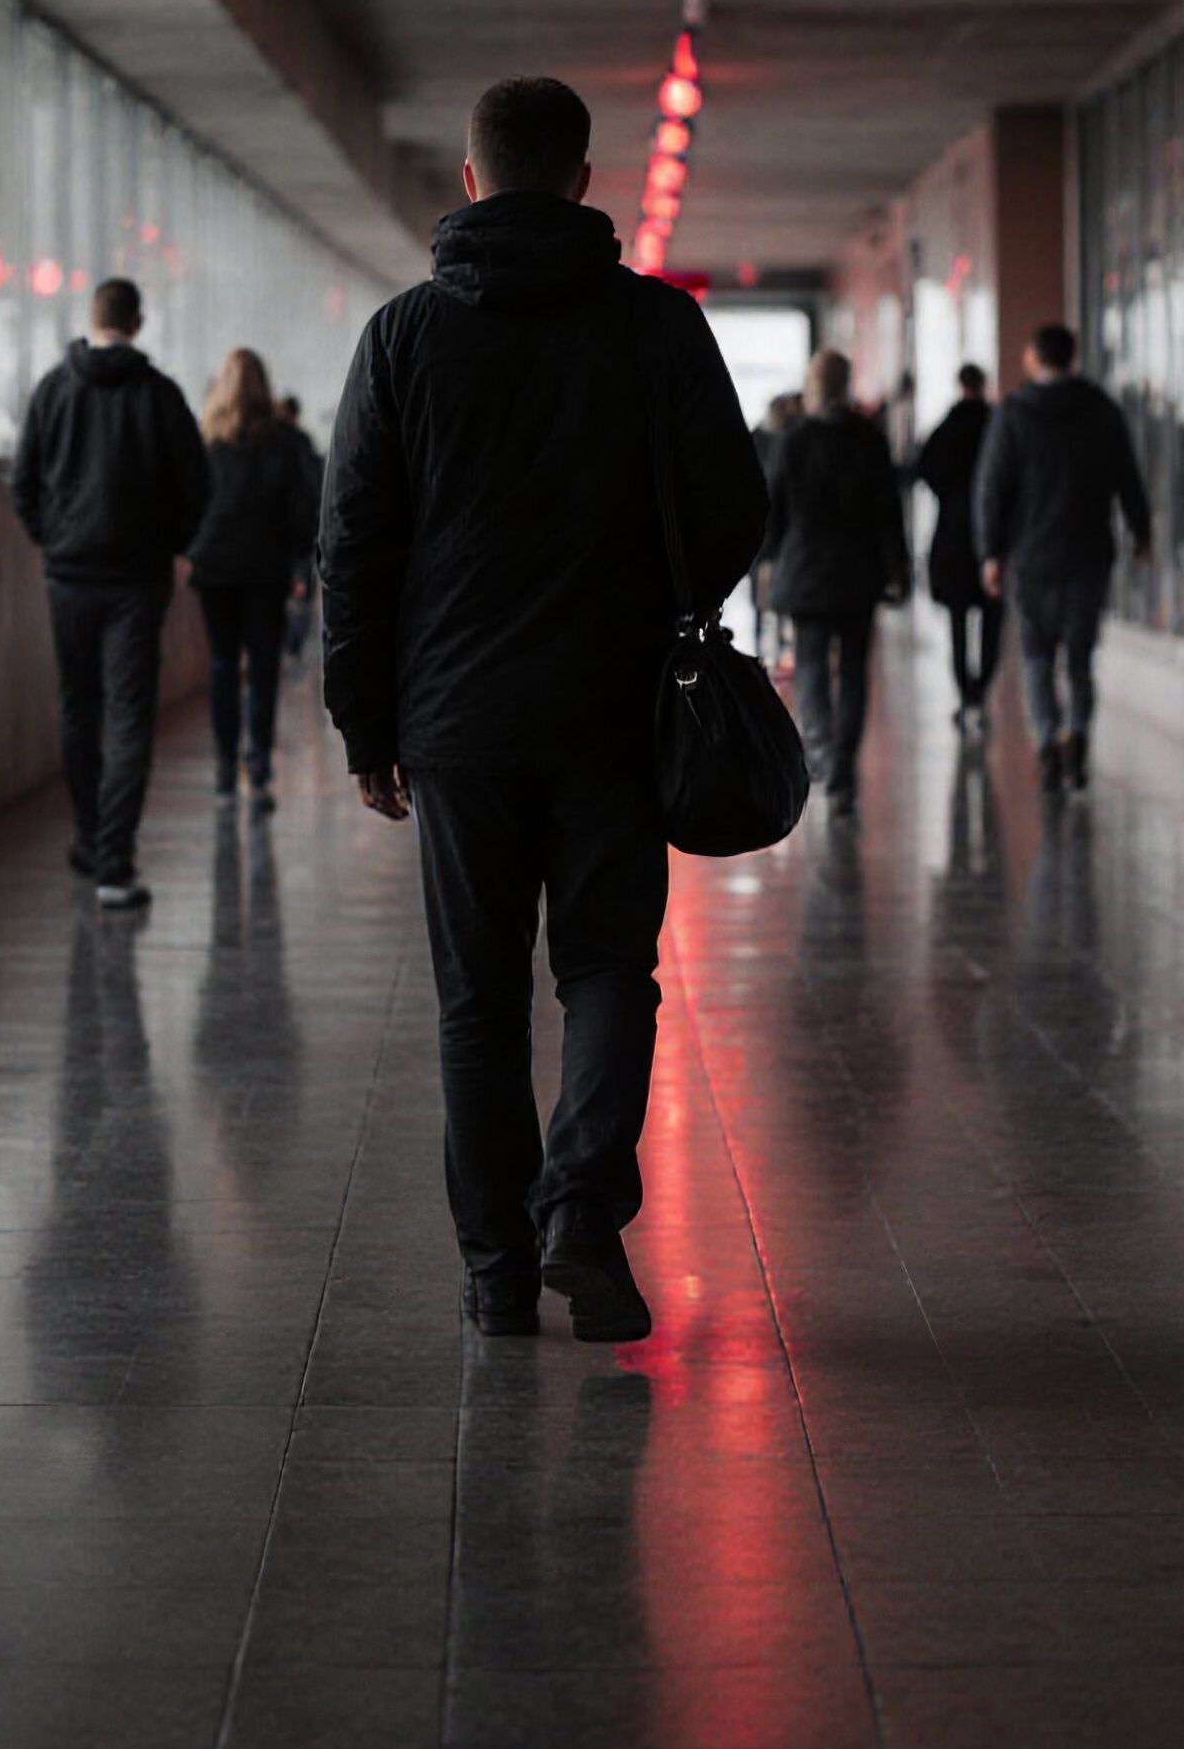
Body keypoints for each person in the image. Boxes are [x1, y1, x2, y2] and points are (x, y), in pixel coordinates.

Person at [319, 76, 768, 1345]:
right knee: (609, 968)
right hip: (618, 708)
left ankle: (495, 1274)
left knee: (477, 1000)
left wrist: (367, 722)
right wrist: (670, 604)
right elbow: (735, 503)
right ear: (580, 180)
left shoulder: (403, 337)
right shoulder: (655, 328)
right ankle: (581, 1210)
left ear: (469, 180)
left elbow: (351, 542)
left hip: (455, 718)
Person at [12, 276, 210, 910]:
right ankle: (114, 863)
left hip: (67, 576)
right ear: (139, 320)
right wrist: (171, 543)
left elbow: (22, 482)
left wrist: (53, 537)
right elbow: (198, 485)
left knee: (77, 708)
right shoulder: (160, 396)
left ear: (91, 318)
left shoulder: (52, 390)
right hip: (137, 580)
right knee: (128, 717)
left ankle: (90, 837)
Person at [974, 322, 1150, 793]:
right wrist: (1141, 531)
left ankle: (1046, 741)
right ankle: (1078, 735)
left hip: (1032, 559)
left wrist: (991, 552)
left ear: (1034, 359)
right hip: (1089, 555)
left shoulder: (1013, 414)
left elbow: (993, 488)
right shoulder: (1101, 411)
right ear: (1073, 359)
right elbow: (1127, 477)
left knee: (1035, 657)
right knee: (1079, 658)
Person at [764, 350, 908, 815]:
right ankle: (843, 759)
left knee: (809, 663)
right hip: (857, 573)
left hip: (806, 570)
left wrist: (767, 558)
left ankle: (822, 750)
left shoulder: (793, 440)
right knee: (853, 669)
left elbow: (774, 507)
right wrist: (898, 571)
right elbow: (889, 514)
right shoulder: (869, 439)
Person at [189, 347, 316, 810]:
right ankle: (257, 768)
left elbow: (187, 499)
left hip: (215, 569)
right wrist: (299, 560)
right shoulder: (284, 440)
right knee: (263, 669)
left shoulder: (207, 439)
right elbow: (305, 504)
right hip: (266, 569)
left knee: (224, 666)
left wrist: (192, 547)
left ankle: (225, 769)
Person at [912, 362, 1001, 728]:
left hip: (952, 536)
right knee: (993, 620)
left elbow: (924, 469)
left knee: (958, 623)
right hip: (993, 538)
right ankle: (981, 689)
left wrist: (950, 497)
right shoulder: (997, 425)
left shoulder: (944, 429)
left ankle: (966, 693)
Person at [751, 392, 803, 665]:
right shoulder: (787, 441)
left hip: (768, 528)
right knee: (767, 590)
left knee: (767, 590)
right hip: (773, 530)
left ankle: (769, 641)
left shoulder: (765, 439)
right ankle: (769, 641)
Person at [278, 393, 325, 661]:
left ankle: (289, 642)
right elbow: (315, 486)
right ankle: (294, 643)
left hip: (280, 537)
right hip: (302, 535)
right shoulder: (303, 443)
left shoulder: (271, 442)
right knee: (302, 592)